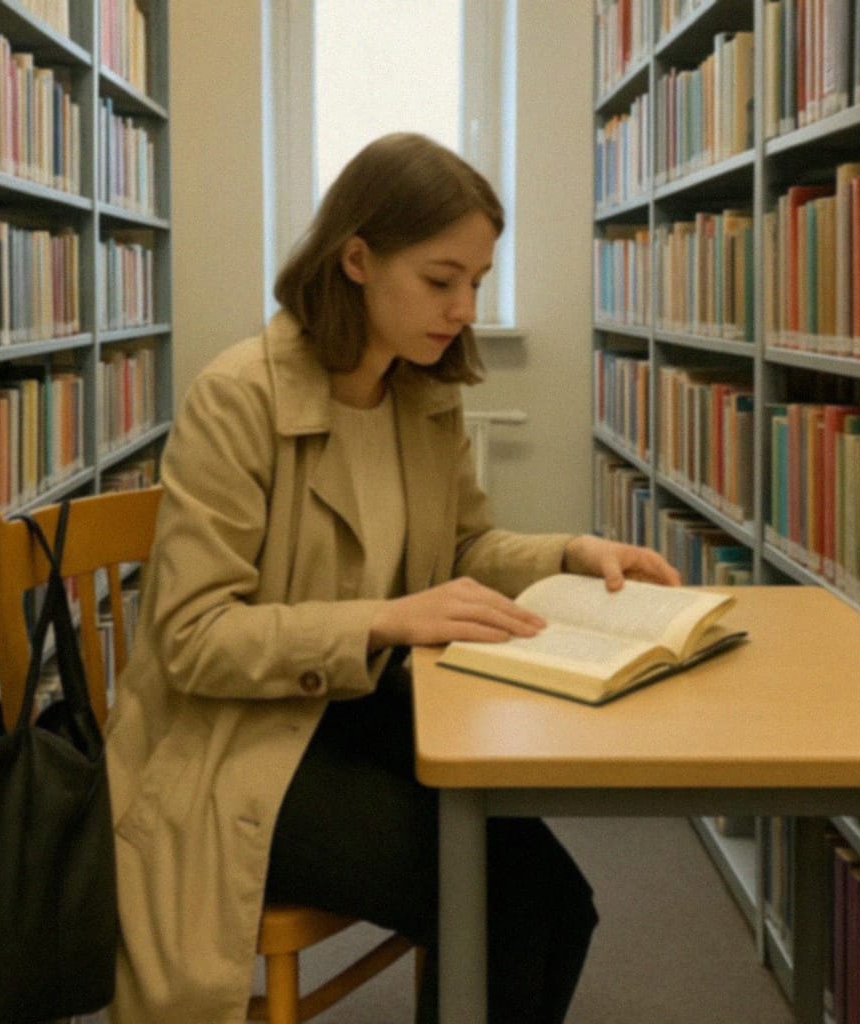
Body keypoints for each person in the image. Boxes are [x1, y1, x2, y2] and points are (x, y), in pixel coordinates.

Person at [104, 132, 682, 1024]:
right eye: (441, 279)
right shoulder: (239, 398)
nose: (462, 308)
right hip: (234, 745)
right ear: (358, 260)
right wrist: (380, 620)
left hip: (356, 711)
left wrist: (571, 553)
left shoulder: (422, 392)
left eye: (478, 283)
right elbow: (191, 639)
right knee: (499, 903)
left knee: (561, 904)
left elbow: (463, 553)